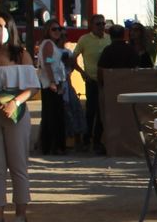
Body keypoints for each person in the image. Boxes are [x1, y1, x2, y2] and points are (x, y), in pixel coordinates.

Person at [0, 11, 38, 222]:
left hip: (16, 113)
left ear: (12, 28)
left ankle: (21, 214)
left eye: (4, 25)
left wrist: (16, 102)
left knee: (18, 164)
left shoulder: (21, 54)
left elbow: (32, 87)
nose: (0, 30)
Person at [73, 13, 111, 154]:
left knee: (102, 111)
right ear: (91, 26)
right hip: (92, 80)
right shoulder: (84, 39)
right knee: (91, 111)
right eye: (98, 24)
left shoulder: (109, 39)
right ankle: (86, 139)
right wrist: (82, 73)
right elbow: (73, 58)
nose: (101, 26)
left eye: (103, 23)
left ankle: (97, 141)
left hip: (106, 81)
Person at [35, 21, 71, 155]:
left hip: (56, 81)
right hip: (51, 83)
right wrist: (52, 81)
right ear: (47, 31)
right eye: (54, 29)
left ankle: (53, 145)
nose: (57, 31)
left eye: (59, 29)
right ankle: (52, 146)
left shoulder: (53, 45)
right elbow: (47, 62)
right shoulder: (48, 44)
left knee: (54, 115)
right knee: (53, 115)